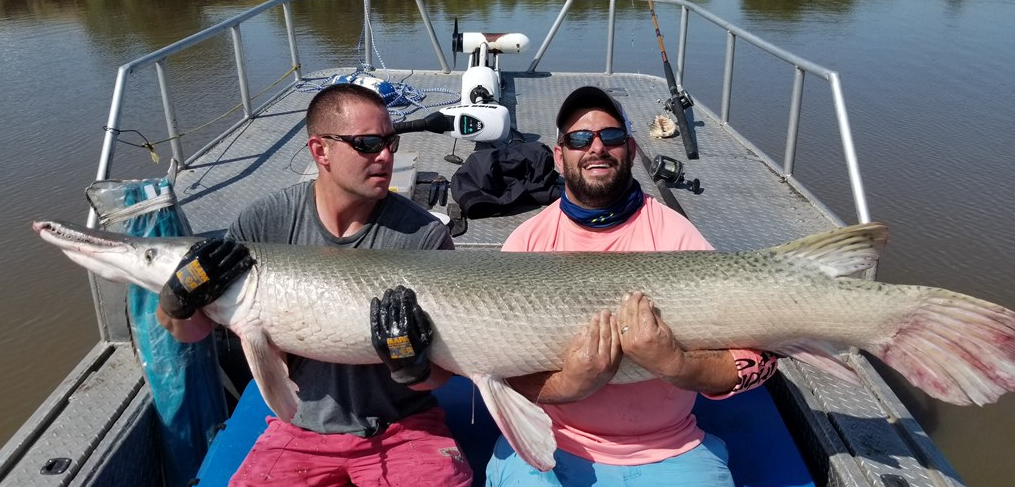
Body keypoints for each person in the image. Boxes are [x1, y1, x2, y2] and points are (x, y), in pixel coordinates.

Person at [156, 83, 473, 486]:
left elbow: (442, 374)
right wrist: (175, 302)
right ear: (320, 150)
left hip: (403, 425)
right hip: (299, 427)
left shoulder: (423, 237)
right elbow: (192, 331)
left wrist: (414, 369)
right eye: (368, 143)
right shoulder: (262, 226)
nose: (386, 156)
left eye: (390, 142)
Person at [484, 86, 779, 486]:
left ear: (632, 149)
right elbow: (499, 374)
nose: (597, 147)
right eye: (578, 139)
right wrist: (570, 385)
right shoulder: (526, 242)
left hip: (670, 450)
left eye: (612, 136)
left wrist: (678, 364)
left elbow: (764, 358)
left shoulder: (676, 235)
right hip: (553, 444)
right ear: (559, 155)